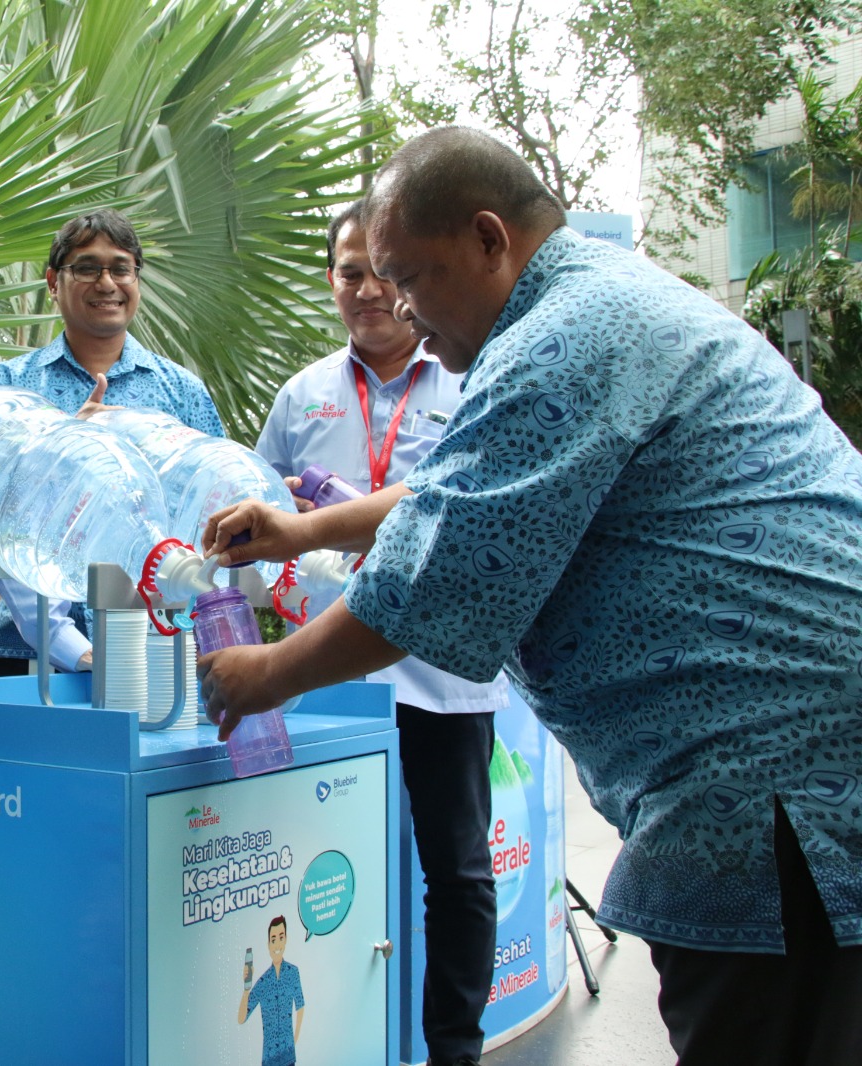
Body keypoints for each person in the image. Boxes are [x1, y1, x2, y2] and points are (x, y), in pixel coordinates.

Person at [200, 126, 862, 1065]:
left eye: (409, 277)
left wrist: (264, 675)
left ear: (486, 238)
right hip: (794, 760)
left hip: (770, 781)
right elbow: (458, 491)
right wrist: (306, 528)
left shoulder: (564, 338)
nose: (397, 305)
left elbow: (440, 571)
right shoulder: (594, 300)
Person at [253, 199, 503, 1066]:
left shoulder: (475, 383)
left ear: (408, 277)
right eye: (348, 273)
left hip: (440, 675)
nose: (367, 291)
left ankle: (453, 1049)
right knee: (322, 866)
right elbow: (260, 528)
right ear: (332, 283)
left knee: (457, 872)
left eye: (380, 272)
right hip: (326, 679)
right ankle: (344, 1043)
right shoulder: (303, 397)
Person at [0, 208, 224, 674]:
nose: (107, 283)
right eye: (87, 268)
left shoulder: (181, 392)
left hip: (160, 641)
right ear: (53, 282)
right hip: (33, 657)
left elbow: (212, 510)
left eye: (121, 268)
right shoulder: (10, 386)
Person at [237, 915, 305, 1065]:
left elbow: (300, 1005)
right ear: (268, 944)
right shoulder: (263, 982)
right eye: (273, 940)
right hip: (269, 1059)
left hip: (288, 1056)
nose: (277, 944)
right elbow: (241, 1018)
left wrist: (295, 1038)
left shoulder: (293, 972)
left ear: (286, 939)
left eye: (281, 937)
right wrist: (246, 989)